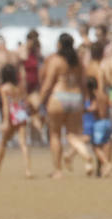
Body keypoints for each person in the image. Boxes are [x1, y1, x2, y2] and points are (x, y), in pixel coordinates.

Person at [37, 33, 94, 178]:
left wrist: (40, 101)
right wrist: (85, 100)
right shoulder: (78, 61)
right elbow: (83, 83)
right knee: (73, 135)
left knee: (55, 134)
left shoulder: (56, 60)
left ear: (59, 44)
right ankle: (84, 153)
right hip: (75, 97)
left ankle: (58, 170)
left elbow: (49, 83)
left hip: (58, 97)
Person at [0, 65, 34, 178]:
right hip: (21, 113)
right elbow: (25, 101)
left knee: (3, 143)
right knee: (23, 143)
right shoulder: (19, 87)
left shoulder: (4, 88)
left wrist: (6, 121)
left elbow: (6, 106)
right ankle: (28, 170)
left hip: (12, 114)